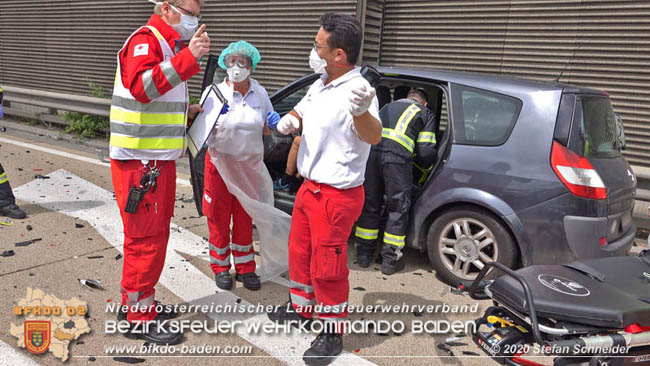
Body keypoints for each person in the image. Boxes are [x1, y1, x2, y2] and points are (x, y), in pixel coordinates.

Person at [267, 13, 382, 366]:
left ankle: (331, 331)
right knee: (300, 254)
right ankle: (301, 309)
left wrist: (362, 113)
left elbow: (373, 135)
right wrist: (292, 119)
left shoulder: (359, 92)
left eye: (318, 46)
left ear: (339, 54)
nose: (313, 51)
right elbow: (304, 109)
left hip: (337, 195)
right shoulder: (321, 84)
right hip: (309, 188)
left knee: (328, 267)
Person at [109, 0, 210, 344]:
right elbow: (141, 87)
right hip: (141, 164)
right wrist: (188, 59)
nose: (196, 18)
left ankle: (137, 302)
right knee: (146, 242)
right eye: (192, 10)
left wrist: (187, 114)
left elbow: (154, 104)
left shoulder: (168, 45)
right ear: (167, 7)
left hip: (154, 160)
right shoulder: (147, 39)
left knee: (152, 238)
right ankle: (138, 317)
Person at [203, 40, 282, 291]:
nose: (236, 67)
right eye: (231, 62)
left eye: (242, 62)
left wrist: (273, 122)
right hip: (219, 166)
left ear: (252, 66)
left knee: (246, 218)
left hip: (248, 167)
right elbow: (199, 132)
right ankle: (221, 267)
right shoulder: (214, 93)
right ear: (224, 64)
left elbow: (268, 130)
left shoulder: (260, 93)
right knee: (218, 217)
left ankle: (246, 267)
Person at [354, 88, 437, 275]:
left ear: (406, 99)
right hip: (397, 160)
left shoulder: (387, 106)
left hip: (371, 155)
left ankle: (363, 255)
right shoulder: (424, 112)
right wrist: (427, 164)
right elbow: (425, 152)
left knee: (370, 204)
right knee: (397, 208)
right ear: (424, 103)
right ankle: (390, 261)